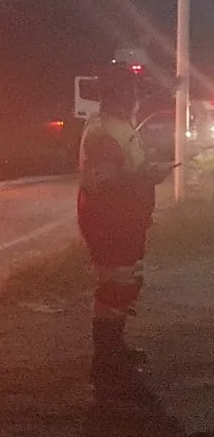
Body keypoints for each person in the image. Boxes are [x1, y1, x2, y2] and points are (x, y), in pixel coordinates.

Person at [77, 63, 172, 397]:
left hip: (124, 221)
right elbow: (103, 181)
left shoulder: (117, 125)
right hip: (110, 222)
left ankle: (114, 351)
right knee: (114, 286)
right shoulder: (106, 131)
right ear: (117, 93)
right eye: (131, 90)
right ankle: (106, 362)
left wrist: (147, 169)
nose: (136, 96)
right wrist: (149, 176)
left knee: (125, 282)